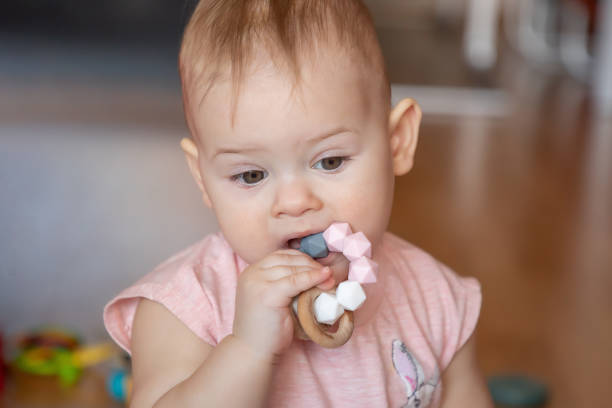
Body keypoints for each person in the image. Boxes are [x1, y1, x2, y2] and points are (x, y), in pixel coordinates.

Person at [103, 1, 492, 407]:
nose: (294, 203)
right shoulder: (184, 308)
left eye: (330, 161)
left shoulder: (436, 299)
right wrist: (247, 349)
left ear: (397, 143)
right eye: (251, 175)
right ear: (203, 177)